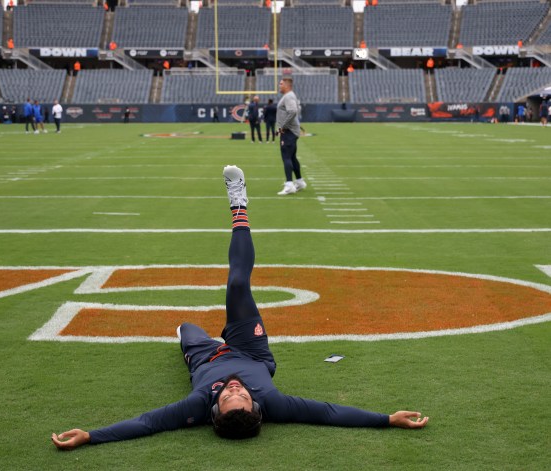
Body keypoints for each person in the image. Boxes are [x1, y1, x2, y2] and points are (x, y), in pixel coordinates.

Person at [51, 165, 429, 450]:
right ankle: (239, 204)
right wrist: (386, 420)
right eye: (242, 397)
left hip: (206, 358)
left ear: (215, 410)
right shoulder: (273, 402)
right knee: (236, 284)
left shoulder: (199, 403)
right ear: (255, 406)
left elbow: (148, 422)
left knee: (185, 327)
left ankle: (192, 339)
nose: (236, 391)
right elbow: (328, 413)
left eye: (229, 398)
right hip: (250, 349)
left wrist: (91, 436)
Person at [276, 77, 306, 195]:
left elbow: (293, 111)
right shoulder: (290, 96)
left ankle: (289, 185)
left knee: (286, 157)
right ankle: (299, 181)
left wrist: (283, 126)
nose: (279, 85)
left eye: (281, 84)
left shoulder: (288, 96)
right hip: (291, 130)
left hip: (289, 131)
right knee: (292, 157)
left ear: (287, 86)